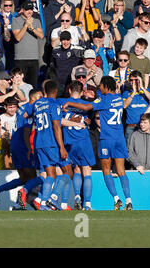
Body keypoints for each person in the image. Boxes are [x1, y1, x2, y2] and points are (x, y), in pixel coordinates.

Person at [63, 76, 133, 211]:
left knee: (106, 169)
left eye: (101, 85)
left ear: (105, 86)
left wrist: (70, 104)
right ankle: (129, 200)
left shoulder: (103, 99)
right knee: (121, 170)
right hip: (120, 138)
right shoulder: (118, 98)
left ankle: (116, 198)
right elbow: (101, 95)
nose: (100, 87)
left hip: (107, 139)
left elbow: (85, 106)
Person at [29, 80, 74, 210]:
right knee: (68, 171)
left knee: (51, 174)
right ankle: (54, 198)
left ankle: (43, 204)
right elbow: (56, 126)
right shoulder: (54, 105)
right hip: (51, 143)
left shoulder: (37, 104)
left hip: (39, 143)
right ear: (55, 91)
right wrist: (61, 147)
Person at [57, 81, 96, 211]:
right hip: (83, 140)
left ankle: (77, 197)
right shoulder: (87, 104)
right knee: (86, 171)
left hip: (69, 141)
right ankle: (88, 204)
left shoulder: (60, 102)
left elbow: (59, 121)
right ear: (82, 92)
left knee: (76, 170)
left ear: (69, 90)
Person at [11, 1, 44, 87]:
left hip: (34, 58)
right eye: (27, 10)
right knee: (20, 85)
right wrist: (26, 25)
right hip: (21, 59)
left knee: (33, 85)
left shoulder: (36, 21)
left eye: (31, 9)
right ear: (22, 10)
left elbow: (41, 36)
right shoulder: (16, 20)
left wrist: (32, 28)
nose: (29, 12)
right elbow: (18, 37)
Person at [121, 12, 150, 90]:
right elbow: (123, 56)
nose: (148, 25)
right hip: (134, 76)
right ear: (140, 21)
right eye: (146, 22)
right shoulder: (130, 36)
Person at [122, 71, 150, 144]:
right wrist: (133, 93)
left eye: (136, 80)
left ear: (140, 80)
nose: (133, 82)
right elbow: (124, 106)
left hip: (145, 127)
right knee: (130, 151)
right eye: (131, 80)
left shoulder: (147, 91)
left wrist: (142, 88)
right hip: (131, 127)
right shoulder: (126, 93)